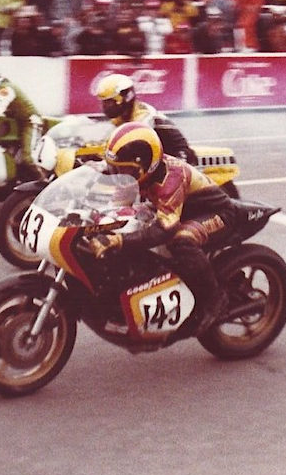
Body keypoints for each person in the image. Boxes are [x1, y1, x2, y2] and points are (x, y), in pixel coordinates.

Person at [86, 122, 234, 336]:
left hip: (215, 212)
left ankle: (214, 300)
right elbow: (119, 203)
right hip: (177, 209)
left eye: (125, 169)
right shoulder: (139, 172)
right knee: (133, 220)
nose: (120, 173)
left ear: (146, 164)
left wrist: (119, 241)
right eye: (117, 167)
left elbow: (165, 228)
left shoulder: (170, 178)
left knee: (181, 239)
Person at [93, 73, 195, 163]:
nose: (105, 107)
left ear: (126, 97)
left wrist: (103, 160)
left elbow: (125, 151)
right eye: (103, 102)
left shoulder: (144, 118)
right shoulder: (121, 117)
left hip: (178, 158)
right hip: (153, 158)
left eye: (109, 102)